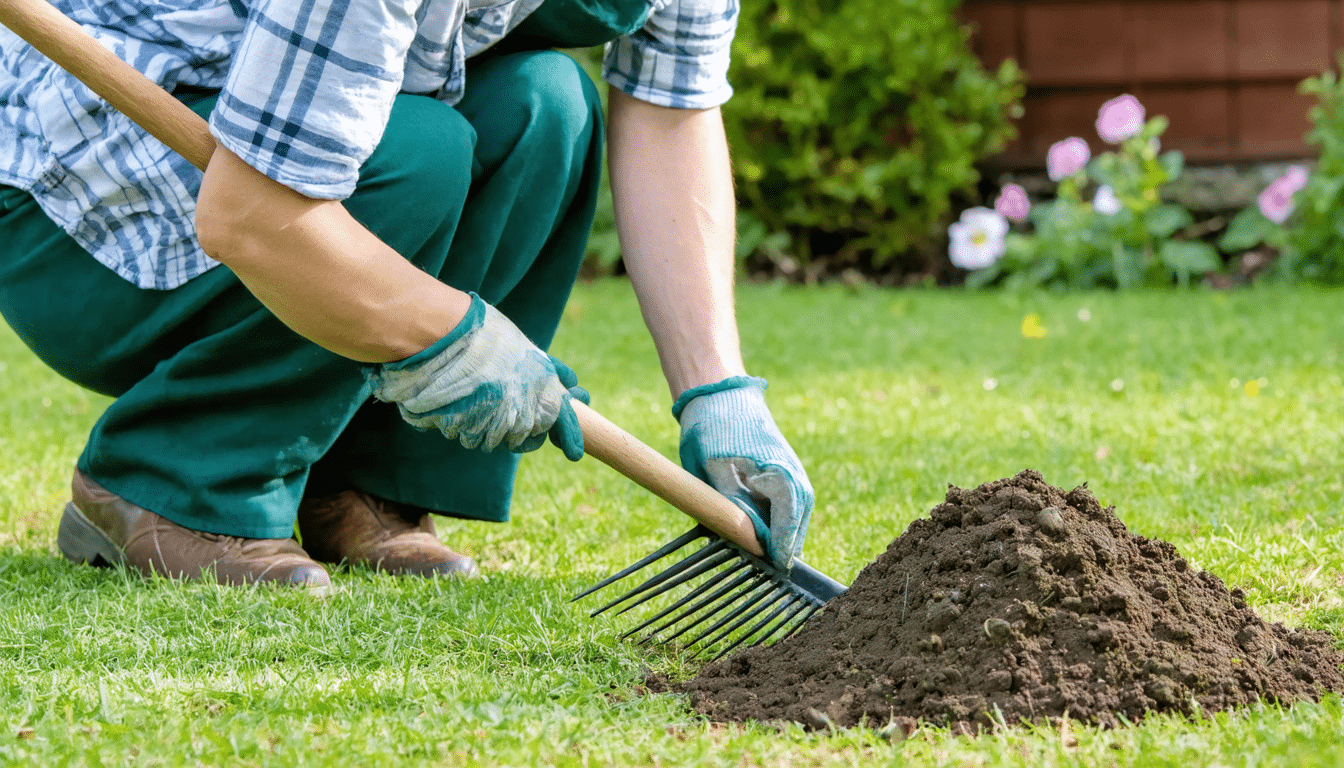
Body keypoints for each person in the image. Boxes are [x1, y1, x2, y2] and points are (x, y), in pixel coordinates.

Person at [0, 0, 813, 592]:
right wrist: (453, 333)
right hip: (77, 210)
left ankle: (363, 478)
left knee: (547, 105)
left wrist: (718, 393)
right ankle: (175, 480)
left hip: (273, 157)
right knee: (421, 151)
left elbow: (672, 108)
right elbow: (250, 213)